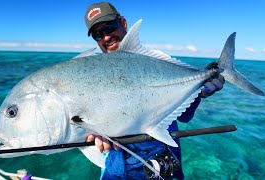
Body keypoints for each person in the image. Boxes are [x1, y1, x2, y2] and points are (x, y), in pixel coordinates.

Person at [84, 2, 225, 179]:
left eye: (110, 27)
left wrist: (198, 91)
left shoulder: (156, 62)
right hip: (114, 170)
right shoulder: (92, 75)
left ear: (123, 23)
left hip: (161, 169)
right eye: (98, 34)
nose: (106, 38)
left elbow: (184, 116)